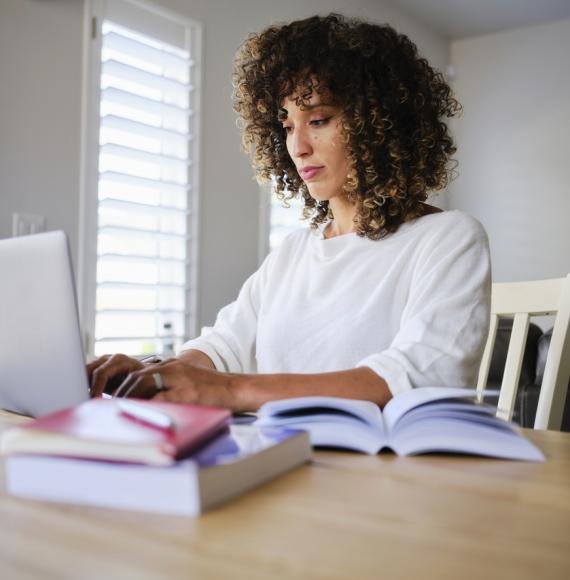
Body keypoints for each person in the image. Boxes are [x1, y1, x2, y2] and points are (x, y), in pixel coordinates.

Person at [88, 13, 491, 411]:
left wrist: (232, 391)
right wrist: (155, 374)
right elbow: (224, 347)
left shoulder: (448, 237)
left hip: (381, 469)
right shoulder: (293, 253)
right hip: (280, 456)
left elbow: (422, 375)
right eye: (286, 125)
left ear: (381, 124)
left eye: (318, 119)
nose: (297, 147)